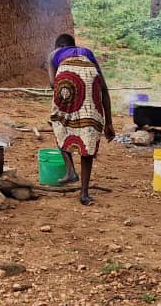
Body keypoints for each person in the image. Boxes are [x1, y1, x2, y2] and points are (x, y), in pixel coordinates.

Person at [47, 34, 114, 206]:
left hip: (67, 80)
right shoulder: (87, 52)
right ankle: (84, 194)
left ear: (60, 46)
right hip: (90, 83)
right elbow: (103, 88)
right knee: (88, 134)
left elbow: (53, 84)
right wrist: (108, 123)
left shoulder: (54, 53)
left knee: (58, 121)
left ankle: (70, 171)